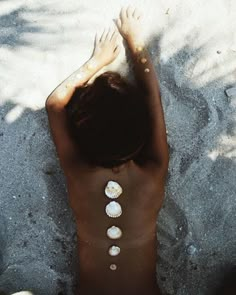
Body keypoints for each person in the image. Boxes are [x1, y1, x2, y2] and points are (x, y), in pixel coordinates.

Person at [45, 6, 169, 295]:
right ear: (141, 136)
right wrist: (134, 40)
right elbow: (153, 97)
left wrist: (95, 62)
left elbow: (54, 105)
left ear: (83, 141)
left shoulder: (79, 173)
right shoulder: (153, 172)